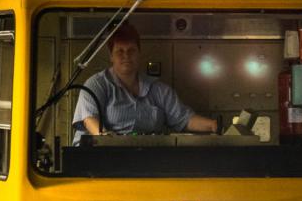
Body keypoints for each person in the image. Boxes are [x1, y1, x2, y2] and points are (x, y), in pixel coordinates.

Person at [72, 22, 218, 144]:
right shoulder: (97, 84)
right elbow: (89, 119)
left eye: (131, 51)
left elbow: (184, 119)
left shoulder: (159, 90)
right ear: (111, 56)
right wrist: (106, 138)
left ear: (139, 53)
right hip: (101, 157)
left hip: (146, 158)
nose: (126, 56)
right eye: (120, 51)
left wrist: (212, 126)